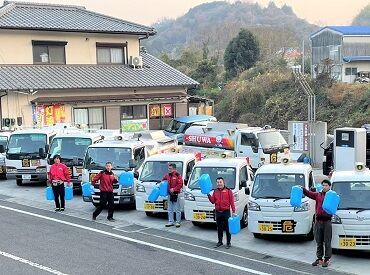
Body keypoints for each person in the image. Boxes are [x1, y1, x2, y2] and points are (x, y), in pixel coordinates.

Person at [302, 179, 333, 268]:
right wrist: (302, 189)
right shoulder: (317, 195)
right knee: (318, 241)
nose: (324, 187)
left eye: (326, 185)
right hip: (318, 222)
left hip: (327, 222)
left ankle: (327, 259)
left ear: (329, 186)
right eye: (323, 185)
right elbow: (309, 194)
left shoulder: (332, 195)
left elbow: (336, 205)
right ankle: (319, 258)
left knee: (327, 241)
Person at [207, 177, 236, 249]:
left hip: (226, 212)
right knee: (219, 228)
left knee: (227, 228)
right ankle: (220, 242)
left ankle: (228, 243)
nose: (219, 183)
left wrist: (234, 211)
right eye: (218, 182)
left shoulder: (228, 191)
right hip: (218, 212)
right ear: (216, 183)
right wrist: (208, 195)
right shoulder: (215, 191)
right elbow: (213, 201)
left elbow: (232, 202)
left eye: (220, 182)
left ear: (223, 182)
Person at [163, 163, 183, 228]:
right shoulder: (167, 175)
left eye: (170, 168)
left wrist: (174, 189)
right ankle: (170, 221)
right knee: (170, 209)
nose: (169, 170)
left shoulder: (178, 175)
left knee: (177, 209)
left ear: (174, 169)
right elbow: (163, 180)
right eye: (168, 168)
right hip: (169, 194)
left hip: (176, 194)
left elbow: (180, 184)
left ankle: (178, 222)